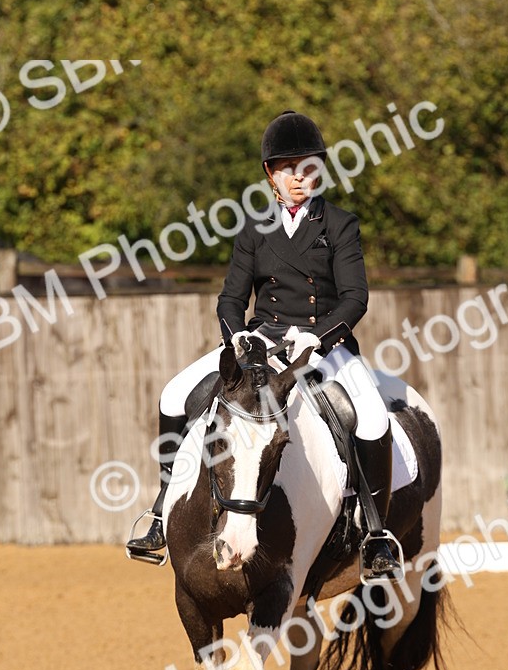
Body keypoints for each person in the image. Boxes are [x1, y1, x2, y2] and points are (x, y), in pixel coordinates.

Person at [126, 109, 402, 580]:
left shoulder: (339, 224)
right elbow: (231, 299)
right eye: (288, 168)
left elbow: (356, 297)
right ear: (271, 174)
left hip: (323, 343)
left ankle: (375, 533)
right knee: (173, 395)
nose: (299, 177)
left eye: (308, 167)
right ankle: (160, 510)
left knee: (373, 418)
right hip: (261, 341)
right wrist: (237, 337)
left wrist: (318, 336)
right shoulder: (254, 228)